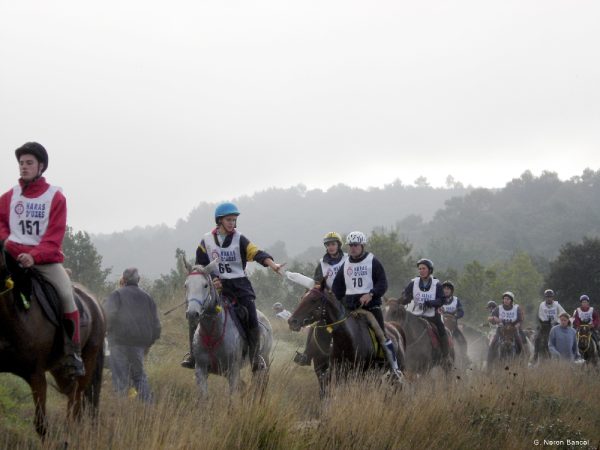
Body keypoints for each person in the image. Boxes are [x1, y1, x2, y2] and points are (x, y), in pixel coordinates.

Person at [0, 142, 84, 378]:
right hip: (11, 258)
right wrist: (8, 243)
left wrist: (33, 256)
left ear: (41, 166)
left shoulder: (55, 197)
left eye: (29, 163)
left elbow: (54, 236)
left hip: (45, 261)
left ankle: (73, 353)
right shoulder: (8, 197)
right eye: (21, 163)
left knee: (67, 296)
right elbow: (0, 224)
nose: (23, 167)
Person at [181, 202, 284, 371]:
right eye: (229, 220)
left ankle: (255, 357)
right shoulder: (205, 241)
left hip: (240, 287)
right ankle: (193, 355)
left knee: (251, 317)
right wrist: (213, 278)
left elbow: (257, 253)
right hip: (215, 288)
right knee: (193, 314)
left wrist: (273, 265)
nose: (232, 223)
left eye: (234, 220)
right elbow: (200, 266)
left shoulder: (240, 239)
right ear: (219, 220)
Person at [331, 231, 402, 379]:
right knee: (335, 330)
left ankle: (395, 368)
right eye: (351, 245)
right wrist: (341, 301)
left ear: (362, 246)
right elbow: (337, 288)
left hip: (371, 308)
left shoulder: (372, 261)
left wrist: (371, 294)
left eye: (356, 245)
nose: (353, 248)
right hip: (351, 309)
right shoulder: (346, 264)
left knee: (381, 334)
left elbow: (383, 283)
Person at [104, 268, 161, 402]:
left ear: (123, 280)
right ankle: (148, 409)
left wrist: (107, 333)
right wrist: (149, 342)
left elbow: (107, 316)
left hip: (119, 343)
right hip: (139, 345)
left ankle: (124, 411)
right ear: (138, 280)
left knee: (120, 378)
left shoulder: (116, 295)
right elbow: (156, 325)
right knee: (139, 376)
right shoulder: (148, 298)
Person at [294, 231, 346, 366]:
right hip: (327, 300)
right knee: (318, 324)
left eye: (333, 244)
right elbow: (317, 283)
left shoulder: (348, 259)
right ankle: (307, 355)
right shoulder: (322, 263)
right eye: (328, 245)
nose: (331, 247)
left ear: (338, 245)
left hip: (346, 299)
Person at [401, 259, 450, 363]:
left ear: (430, 270)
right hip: (415, 314)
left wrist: (430, 303)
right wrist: (406, 297)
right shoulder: (413, 282)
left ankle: (446, 356)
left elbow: (442, 299)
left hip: (431, 314)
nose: (421, 271)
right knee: (403, 326)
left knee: (441, 328)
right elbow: (405, 293)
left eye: (424, 268)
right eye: (419, 269)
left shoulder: (436, 284)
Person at [487, 292, 525, 366]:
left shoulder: (516, 308)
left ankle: (522, 363)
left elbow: (520, 320)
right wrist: (494, 319)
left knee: (520, 345)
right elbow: (490, 317)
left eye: (508, 299)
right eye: (504, 299)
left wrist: (516, 326)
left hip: (513, 330)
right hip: (501, 330)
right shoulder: (498, 308)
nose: (506, 300)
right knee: (492, 345)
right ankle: (489, 366)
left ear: (511, 300)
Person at [532, 289, 566, 364]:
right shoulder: (542, 305)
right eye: (547, 297)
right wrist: (545, 321)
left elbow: (563, 314)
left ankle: (564, 354)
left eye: (550, 297)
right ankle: (535, 354)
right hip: (544, 324)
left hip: (555, 324)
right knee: (537, 337)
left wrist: (558, 321)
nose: (549, 298)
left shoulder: (557, 305)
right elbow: (540, 315)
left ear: (552, 297)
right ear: (545, 297)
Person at [441, 280, 467, 358]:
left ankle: (464, 357)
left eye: (448, 289)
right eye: (444, 289)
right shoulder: (439, 300)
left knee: (463, 341)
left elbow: (461, 312)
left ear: (451, 291)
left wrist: (456, 316)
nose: (446, 290)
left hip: (453, 327)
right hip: (441, 326)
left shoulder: (456, 300)